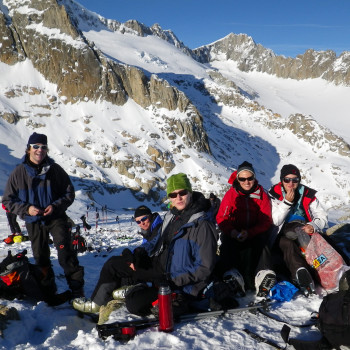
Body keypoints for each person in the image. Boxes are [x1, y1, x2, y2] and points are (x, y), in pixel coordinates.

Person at [73, 173, 220, 317]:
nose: (178, 198)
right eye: (173, 195)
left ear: (190, 193)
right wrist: (139, 252)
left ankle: (157, 296)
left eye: (182, 192)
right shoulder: (172, 216)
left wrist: (171, 279)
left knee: (134, 304)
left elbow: (204, 268)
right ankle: (97, 303)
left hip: (176, 282)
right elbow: (156, 241)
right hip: (160, 270)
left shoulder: (202, 225)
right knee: (113, 264)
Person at [2, 132, 84, 305]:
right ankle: (48, 290)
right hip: (33, 221)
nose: (40, 150)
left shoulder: (55, 170)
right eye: (36, 147)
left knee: (65, 252)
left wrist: (55, 206)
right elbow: (8, 200)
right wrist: (27, 209)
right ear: (29, 149)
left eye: (43, 147)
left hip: (56, 217)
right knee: (41, 257)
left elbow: (69, 193)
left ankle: (77, 291)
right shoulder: (18, 173)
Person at [72, 205, 163, 315]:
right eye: (138, 222)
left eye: (144, 219)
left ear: (151, 216)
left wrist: (133, 255)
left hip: (155, 267)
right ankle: (106, 305)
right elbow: (146, 248)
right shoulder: (150, 230)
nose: (142, 223)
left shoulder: (159, 228)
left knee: (112, 264)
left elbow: (149, 247)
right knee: (119, 265)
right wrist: (130, 254)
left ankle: (96, 304)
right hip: (151, 264)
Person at [216, 161, 275, 297]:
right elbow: (221, 218)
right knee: (227, 241)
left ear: (254, 178)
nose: (247, 182)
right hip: (235, 231)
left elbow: (266, 220)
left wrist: (250, 232)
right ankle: (232, 276)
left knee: (262, 242)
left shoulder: (261, 194)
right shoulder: (231, 194)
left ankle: (263, 275)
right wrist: (232, 231)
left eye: (250, 178)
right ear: (237, 179)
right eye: (242, 179)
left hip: (254, 232)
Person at [268, 164, 328, 295]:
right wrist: (287, 203)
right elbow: (275, 220)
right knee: (290, 241)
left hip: (303, 227)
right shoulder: (274, 194)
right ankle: (305, 274)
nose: (291, 183)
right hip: (281, 231)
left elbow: (322, 216)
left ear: (299, 180)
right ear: (281, 180)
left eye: (295, 180)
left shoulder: (307, 194)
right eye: (287, 180)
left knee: (299, 239)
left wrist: (313, 225)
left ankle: (314, 272)